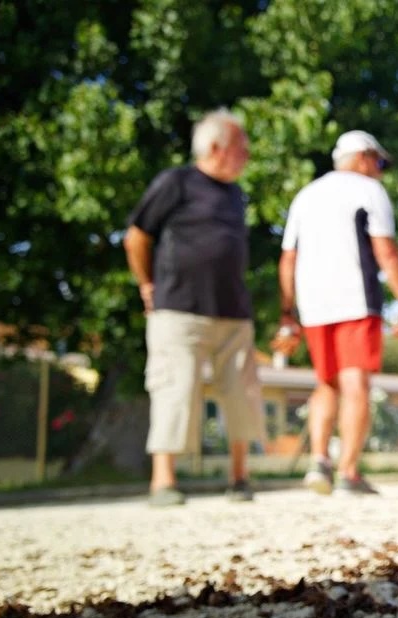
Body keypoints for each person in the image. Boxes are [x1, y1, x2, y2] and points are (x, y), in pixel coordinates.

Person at [123, 108, 266, 506]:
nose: (247, 155)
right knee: (174, 388)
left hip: (233, 311)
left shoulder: (237, 194)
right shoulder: (176, 182)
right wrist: (146, 285)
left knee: (242, 392)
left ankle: (240, 478)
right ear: (217, 147)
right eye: (243, 146)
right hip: (178, 309)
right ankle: (163, 482)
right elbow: (136, 237)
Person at [275, 130, 398, 495]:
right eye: (379, 163)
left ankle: (319, 460)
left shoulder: (305, 196)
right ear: (364, 157)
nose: (380, 171)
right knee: (355, 383)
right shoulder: (368, 191)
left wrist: (287, 312)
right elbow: (385, 250)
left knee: (326, 382)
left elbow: (288, 258)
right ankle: (348, 473)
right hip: (355, 299)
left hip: (312, 304)